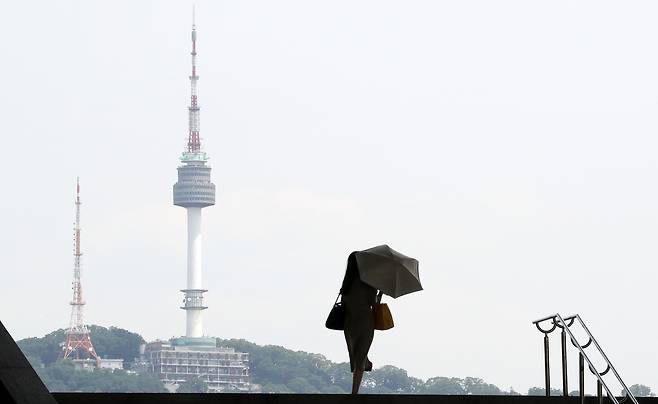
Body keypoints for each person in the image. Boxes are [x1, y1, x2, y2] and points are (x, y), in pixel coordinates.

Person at [340, 252, 383, 394]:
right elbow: (373, 303)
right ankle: (354, 392)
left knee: (354, 354)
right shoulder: (369, 282)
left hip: (350, 322)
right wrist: (379, 294)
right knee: (361, 356)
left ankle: (365, 361)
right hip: (366, 321)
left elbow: (345, 303)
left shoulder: (347, 284)